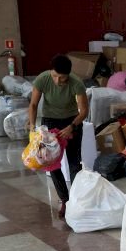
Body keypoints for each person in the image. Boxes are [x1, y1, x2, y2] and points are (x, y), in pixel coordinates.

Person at [28, 54, 88, 217]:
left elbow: (84, 111)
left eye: (61, 78)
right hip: (50, 122)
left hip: (71, 121)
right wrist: (32, 128)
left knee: (74, 163)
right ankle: (65, 200)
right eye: (54, 76)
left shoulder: (76, 83)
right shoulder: (43, 79)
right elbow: (33, 104)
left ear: (68, 75)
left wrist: (72, 127)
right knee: (52, 164)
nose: (57, 80)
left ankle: (76, 200)